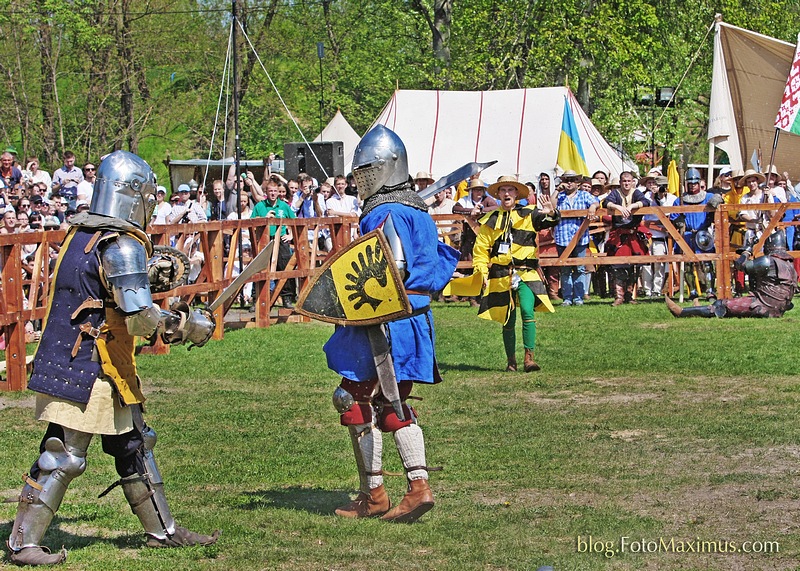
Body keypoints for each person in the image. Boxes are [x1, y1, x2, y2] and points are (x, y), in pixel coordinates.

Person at [5, 150, 219, 566]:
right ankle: (21, 544)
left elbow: (104, 295)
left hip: (96, 360)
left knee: (136, 445)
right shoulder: (121, 244)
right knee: (62, 455)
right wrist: (188, 324)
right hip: (89, 364)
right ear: (134, 195)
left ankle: (163, 531)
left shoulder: (82, 234)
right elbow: (139, 319)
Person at [324, 125, 459, 523]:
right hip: (413, 319)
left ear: (388, 167)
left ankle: (376, 493)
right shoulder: (418, 209)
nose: (362, 179)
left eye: (368, 171)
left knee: (352, 399)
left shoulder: (384, 211)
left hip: (383, 321)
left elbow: (389, 269)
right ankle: (416, 487)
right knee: (392, 400)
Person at [473, 175, 560, 372]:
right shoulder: (490, 220)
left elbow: (548, 221)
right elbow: (481, 249)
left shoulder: (529, 213)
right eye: (503, 190)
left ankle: (529, 359)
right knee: (508, 317)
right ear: (498, 195)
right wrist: (481, 270)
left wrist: (551, 213)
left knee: (528, 311)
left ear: (516, 194)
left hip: (526, 273)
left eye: (510, 190)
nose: (506, 193)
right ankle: (511, 361)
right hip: (501, 274)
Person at [666, 231, 798, 318]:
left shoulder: (768, 260)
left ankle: (682, 312)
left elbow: (741, 266)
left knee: (721, 305)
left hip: (763, 305)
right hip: (779, 307)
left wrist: (747, 250)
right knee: (721, 303)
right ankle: (698, 309)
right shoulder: (789, 263)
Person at [552, 170, 599, 306]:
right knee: (565, 269)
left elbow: (596, 202)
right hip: (562, 236)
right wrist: (556, 190)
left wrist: (592, 207)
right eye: (566, 180)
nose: (569, 182)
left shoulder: (584, 195)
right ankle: (567, 298)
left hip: (580, 237)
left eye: (572, 180)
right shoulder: (559, 196)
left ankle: (578, 297)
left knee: (579, 268)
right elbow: (551, 206)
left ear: (578, 182)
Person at [604, 170, 651, 305]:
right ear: (620, 182)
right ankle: (619, 296)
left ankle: (630, 295)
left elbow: (645, 202)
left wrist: (632, 206)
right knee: (618, 265)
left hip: (633, 233)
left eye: (628, 181)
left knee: (634, 265)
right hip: (619, 233)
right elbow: (606, 203)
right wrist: (618, 206)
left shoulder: (636, 193)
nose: (626, 183)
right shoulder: (615, 193)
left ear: (632, 182)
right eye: (624, 181)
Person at [677, 167, 723, 300]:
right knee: (688, 265)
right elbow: (673, 216)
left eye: (695, 183)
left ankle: (710, 291)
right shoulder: (680, 199)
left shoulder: (707, 196)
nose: (692, 186)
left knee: (707, 264)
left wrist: (717, 198)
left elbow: (720, 198)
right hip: (687, 235)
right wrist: (678, 221)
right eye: (690, 184)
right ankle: (692, 291)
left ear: (699, 183)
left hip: (703, 234)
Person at [251, 178, 297, 308]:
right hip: (264, 240)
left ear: (278, 192)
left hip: (281, 239)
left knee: (284, 266)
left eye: (275, 191)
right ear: (266, 192)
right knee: (259, 268)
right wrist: (264, 219)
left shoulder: (283, 206)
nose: (272, 193)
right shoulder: (260, 206)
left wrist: (290, 235)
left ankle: (287, 298)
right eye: (270, 191)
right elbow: (251, 223)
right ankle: (257, 300)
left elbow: (295, 222)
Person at [641, 175, 678, 297]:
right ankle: (647, 289)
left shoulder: (672, 199)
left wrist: (661, 198)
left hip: (662, 235)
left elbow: (670, 217)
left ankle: (656, 289)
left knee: (659, 263)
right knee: (646, 263)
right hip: (648, 233)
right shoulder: (646, 197)